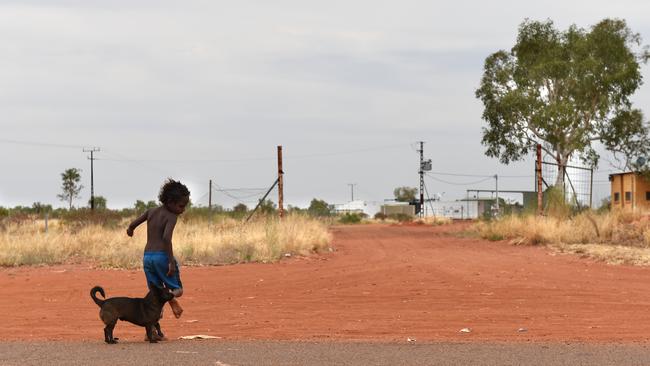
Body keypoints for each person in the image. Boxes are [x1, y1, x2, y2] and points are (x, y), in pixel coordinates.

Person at [127, 178, 190, 335]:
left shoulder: (151, 211)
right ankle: (171, 299)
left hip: (147, 257)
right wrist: (170, 261)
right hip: (162, 257)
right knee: (178, 289)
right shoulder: (171, 216)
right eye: (181, 206)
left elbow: (133, 224)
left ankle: (153, 332)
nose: (183, 210)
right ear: (170, 202)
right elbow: (166, 239)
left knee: (155, 294)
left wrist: (130, 230)